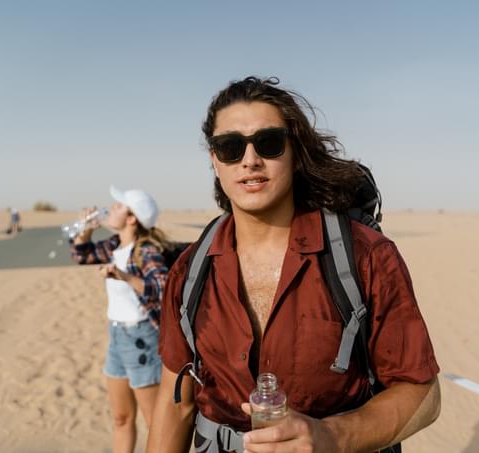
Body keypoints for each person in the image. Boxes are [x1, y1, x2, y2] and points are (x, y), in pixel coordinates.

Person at [146, 77, 441, 453]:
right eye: (230, 147)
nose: (250, 160)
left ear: (295, 151)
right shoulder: (189, 272)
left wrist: (332, 436)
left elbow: (423, 394)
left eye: (268, 143)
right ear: (214, 160)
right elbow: (178, 402)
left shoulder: (366, 257)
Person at [70, 187, 169, 453]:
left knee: (154, 422)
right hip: (116, 337)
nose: (110, 208)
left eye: (118, 206)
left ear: (132, 218)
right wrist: (87, 228)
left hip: (141, 340)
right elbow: (81, 255)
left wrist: (123, 276)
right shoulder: (115, 245)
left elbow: (161, 287)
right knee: (121, 418)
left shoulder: (145, 251)